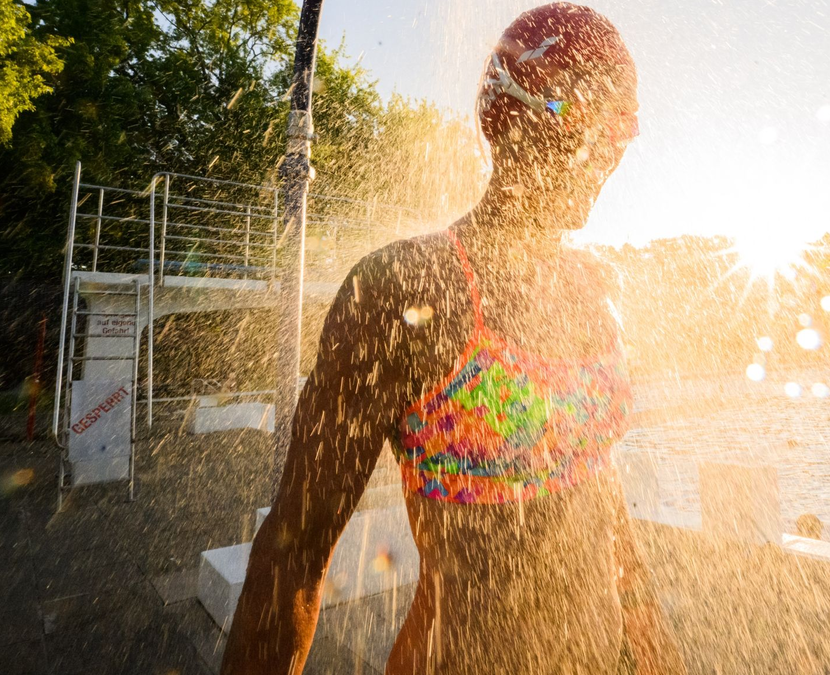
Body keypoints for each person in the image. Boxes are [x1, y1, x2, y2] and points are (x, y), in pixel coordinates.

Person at [221, 4, 685, 674]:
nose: (615, 147)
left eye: (628, 125)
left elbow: (602, 499)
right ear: (513, 113)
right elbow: (294, 553)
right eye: (598, 117)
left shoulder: (595, 287)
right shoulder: (405, 287)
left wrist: (658, 649)